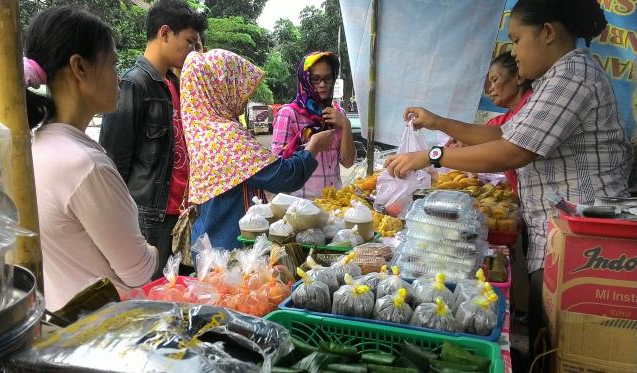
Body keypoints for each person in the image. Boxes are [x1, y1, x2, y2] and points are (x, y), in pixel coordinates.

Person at [385, 0, 633, 362]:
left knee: (563, 348)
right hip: (560, 232)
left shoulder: (573, 74)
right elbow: (500, 136)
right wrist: (438, 122)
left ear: (547, 32)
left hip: (583, 240)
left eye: (516, 39)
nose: (513, 52)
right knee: (545, 341)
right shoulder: (554, 78)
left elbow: (513, 151)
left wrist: (431, 156)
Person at [14, 6, 158, 311]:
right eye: (113, 64)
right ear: (80, 67)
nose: (118, 77)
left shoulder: (36, 146)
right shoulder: (84, 165)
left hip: (60, 326)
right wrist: (153, 250)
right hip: (104, 336)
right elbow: (138, 271)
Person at [181, 49, 335, 250]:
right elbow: (284, 176)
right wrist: (313, 147)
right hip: (229, 251)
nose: (245, 97)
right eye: (238, 88)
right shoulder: (225, 136)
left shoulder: (202, 127)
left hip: (210, 243)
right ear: (220, 89)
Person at [99, 0, 207, 278]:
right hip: (149, 219)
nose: (193, 51)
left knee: (181, 297)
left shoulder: (175, 85)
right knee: (154, 300)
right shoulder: (133, 84)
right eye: (189, 41)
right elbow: (114, 164)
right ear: (165, 33)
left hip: (181, 217)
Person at [271, 51, 356, 199]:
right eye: (315, 79)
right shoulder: (289, 114)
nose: (322, 84)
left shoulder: (338, 113)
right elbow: (278, 168)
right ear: (305, 80)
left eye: (327, 78)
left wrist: (345, 125)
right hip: (301, 207)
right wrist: (313, 146)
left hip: (333, 204)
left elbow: (347, 162)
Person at [484, 51, 533, 192]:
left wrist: (436, 156)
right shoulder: (506, 118)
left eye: (495, 79)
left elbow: (503, 153)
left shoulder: (531, 109)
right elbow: (480, 135)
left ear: (518, 77)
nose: (490, 88)